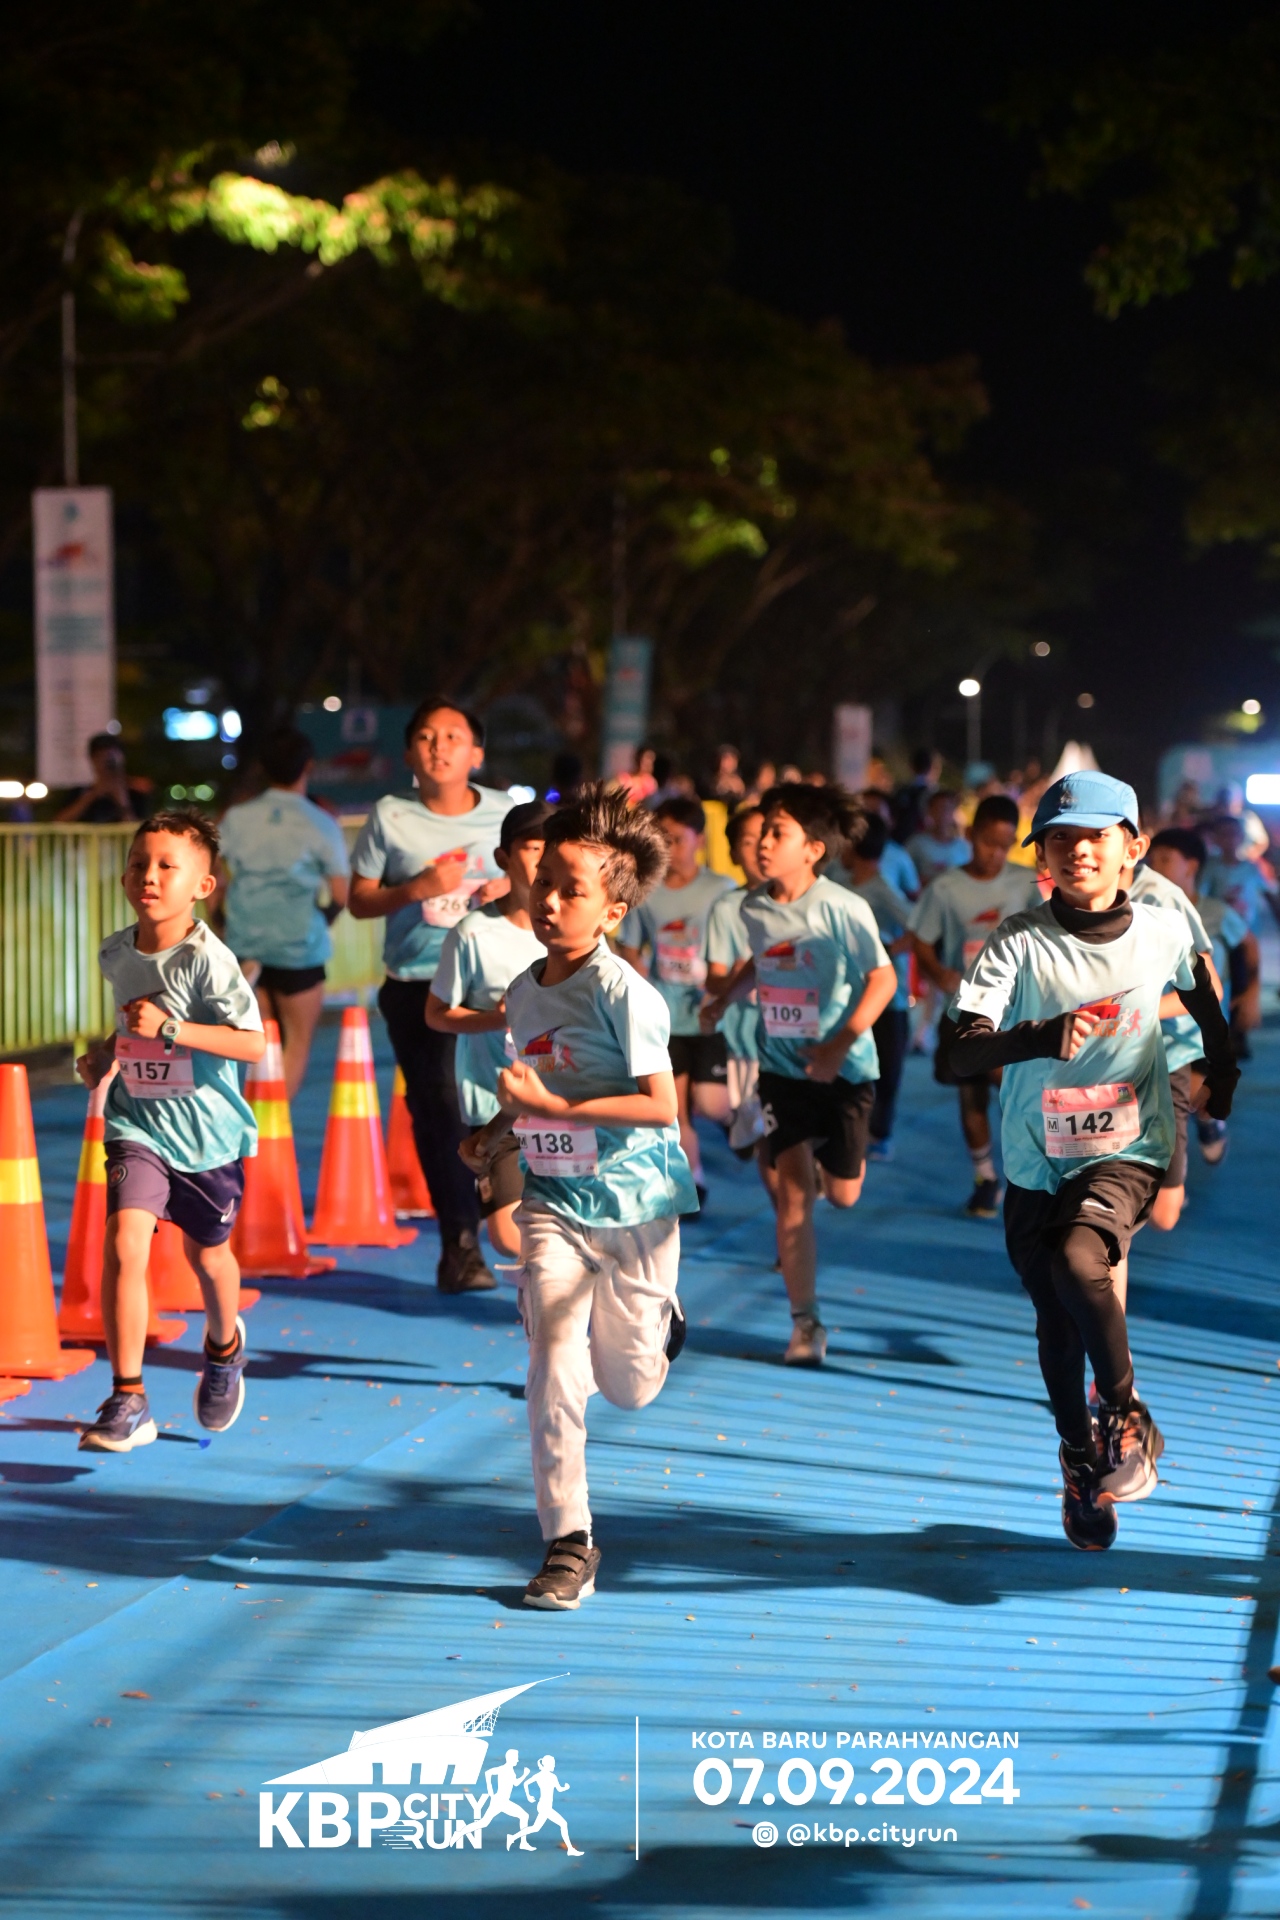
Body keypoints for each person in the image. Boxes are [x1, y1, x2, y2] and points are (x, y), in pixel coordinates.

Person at [949, 772, 1237, 1550]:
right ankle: (1079, 1460)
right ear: (1042, 856)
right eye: (1061, 839)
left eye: (1097, 836)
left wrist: (1222, 1072)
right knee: (1056, 1320)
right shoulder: (1016, 940)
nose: (1079, 850)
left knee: (1081, 1261)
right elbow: (958, 1053)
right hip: (1034, 1158)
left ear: (1131, 849)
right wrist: (1041, 1035)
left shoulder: (1163, 929)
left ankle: (1125, 1410)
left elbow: (1204, 996)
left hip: (1129, 1146)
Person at [461, 784, 695, 1610]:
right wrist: (497, 1132)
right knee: (553, 1364)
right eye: (544, 882)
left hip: (637, 1208)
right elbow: (539, 1082)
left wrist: (555, 1107)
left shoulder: (626, 993)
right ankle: (569, 1541)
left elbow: (660, 1105)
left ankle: (662, 1327)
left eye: (572, 890)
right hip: (553, 1203)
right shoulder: (523, 991)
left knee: (629, 1386)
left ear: (613, 911)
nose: (550, 900)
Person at [73, 811, 266, 1453]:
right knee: (125, 1242)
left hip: (207, 1136)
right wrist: (107, 1054)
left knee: (208, 1258)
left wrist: (172, 1029)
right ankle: (128, 1397)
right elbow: (132, 1022)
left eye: (165, 866)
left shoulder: (209, 961)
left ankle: (224, 1347)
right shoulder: (116, 952)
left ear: (203, 887)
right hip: (137, 1122)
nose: (147, 876)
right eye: (138, 864)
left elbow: (252, 1043)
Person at [703, 784, 896, 1367]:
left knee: (842, 1194)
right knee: (792, 1198)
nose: (763, 843)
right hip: (781, 1068)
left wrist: (838, 1046)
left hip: (845, 1069)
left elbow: (883, 979)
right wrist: (726, 997)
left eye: (777, 833)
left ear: (813, 849)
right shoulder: (753, 907)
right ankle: (805, 1323)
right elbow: (763, 958)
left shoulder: (842, 907)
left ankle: (827, 1164)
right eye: (762, 832)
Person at [348, 699, 511, 1294]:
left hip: (497, 980)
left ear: (476, 753)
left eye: (452, 736)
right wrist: (416, 888)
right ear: (410, 753)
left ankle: (510, 1213)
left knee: (505, 1099)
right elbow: (359, 901)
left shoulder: (506, 812)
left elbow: (544, 875)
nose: (439, 746)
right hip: (419, 982)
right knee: (440, 1107)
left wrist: (511, 885)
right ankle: (460, 1243)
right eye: (425, 736)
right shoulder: (391, 816)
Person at [426, 800, 551, 1257]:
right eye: (533, 848)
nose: (543, 860)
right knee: (509, 1236)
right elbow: (436, 1013)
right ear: (503, 857)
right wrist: (498, 1018)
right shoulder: (472, 933)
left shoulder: (575, 929)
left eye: (552, 848)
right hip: (495, 1101)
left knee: (563, 1227)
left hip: (564, 1100)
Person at [909, 794, 1041, 1217]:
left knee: (1016, 1092)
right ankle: (985, 1177)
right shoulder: (945, 888)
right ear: (970, 835)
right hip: (963, 1010)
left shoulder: (1027, 883)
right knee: (971, 1100)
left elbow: (1053, 933)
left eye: (1005, 845)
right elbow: (921, 940)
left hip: (1015, 1012)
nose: (995, 854)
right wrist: (937, 972)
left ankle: (1033, 1173)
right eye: (988, 843)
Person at [216, 726, 350, 1100]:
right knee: (297, 1042)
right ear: (308, 766)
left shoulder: (236, 818)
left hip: (245, 941)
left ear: (263, 768)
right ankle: (273, 1122)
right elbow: (341, 893)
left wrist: (221, 920)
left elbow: (214, 876)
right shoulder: (320, 821)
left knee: (261, 1041)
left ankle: (253, 1113)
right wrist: (323, 919)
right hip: (299, 945)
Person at [617, 796, 735, 1206]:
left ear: (699, 840)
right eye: (662, 839)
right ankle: (693, 1182)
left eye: (678, 839)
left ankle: (739, 1123)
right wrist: (639, 987)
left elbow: (740, 948)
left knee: (712, 1104)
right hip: (664, 1017)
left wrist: (723, 987)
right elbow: (630, 946)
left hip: (709, 1015)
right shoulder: (645, 891)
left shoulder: (721, 890)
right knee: (675, 1108)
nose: (669, 848)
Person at [1124, 833, 1219, 1236]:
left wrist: (1133, 1012)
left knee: (1164, 1213)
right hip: (1099, 1062)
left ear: (1131, 847)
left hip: (1170, 1051)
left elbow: (1211, 987)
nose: (1079, 853)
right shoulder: (1062, 898)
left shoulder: (1162, 899)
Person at [1146, 827, 1253, 1170]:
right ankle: (1171, 1183)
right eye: (1152, 859)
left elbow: (1249, 947)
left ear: (1191, 866)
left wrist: (1250, 995)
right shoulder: (1145, 911)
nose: (1155, 866)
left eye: (1165, 859)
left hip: (1203, 1028)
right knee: (1166, 1112)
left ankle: (1209, 1125)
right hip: (1162, 1028)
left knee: (1197, 1099)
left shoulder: (1216, 912)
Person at [842, 813, 913, 1159]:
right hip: (847, 995)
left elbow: (918, 929)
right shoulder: (839, 883)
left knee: (886, 1069)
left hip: (888, 999)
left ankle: (879, 1133)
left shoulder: (883, 890)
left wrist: (885, 951)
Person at [705, 802, 767, 1160]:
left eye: (769, 836)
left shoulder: (807, 904)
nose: (761, 848)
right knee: (765, 1149)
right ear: (732, 853)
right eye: (748, 840)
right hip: (745, 1043)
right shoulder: (727, 908)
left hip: (798, 1046)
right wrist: (738, 977)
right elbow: (713, 981)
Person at [56, 731, 150, 824]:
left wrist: (122, 800)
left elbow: (139, 828)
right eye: (100, 757)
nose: (105, 763)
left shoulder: (136, 793)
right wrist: (91, 796)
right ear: (92, 760)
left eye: (111, 758)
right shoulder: (80, 792)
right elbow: (59, 823)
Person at [905, 787, 968, 885]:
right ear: (929, 811)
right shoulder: (915, 844)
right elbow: (906, 876)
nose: (943, 813)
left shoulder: (964, 847)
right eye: (938, 808)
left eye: (947, 808)